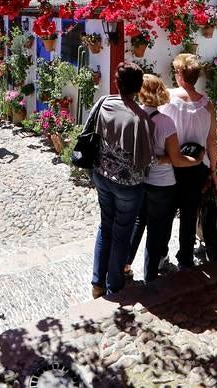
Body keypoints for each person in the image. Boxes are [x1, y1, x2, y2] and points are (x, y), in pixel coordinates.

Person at [127, 74, 203, 284]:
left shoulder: (132, 116)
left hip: (139, 181)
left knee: (138, 221)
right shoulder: (165, 123)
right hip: (162, 185)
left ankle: (124, 267)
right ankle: (150, 277)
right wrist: (196, 161)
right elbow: (177, 160)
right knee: (156, 230)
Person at [90, 62, 154, 299]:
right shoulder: (141, 118)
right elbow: (147, 160)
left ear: (117, 82)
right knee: (122, 233)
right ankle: (113, 287)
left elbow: (93, 133)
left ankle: (97, 283)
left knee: (105, 226)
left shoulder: (104, 102)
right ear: (138, 88)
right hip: (128, 186)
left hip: (102, 175)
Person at [159, 52, 217, 270]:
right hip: (197, 168)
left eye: (176, 71)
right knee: (189, 214)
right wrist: (213, 169)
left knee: (165, 213)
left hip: (172, 166)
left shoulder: (167, 98)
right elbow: (212, 141)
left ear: (181, 75)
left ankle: (161, 257)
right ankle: (185, 258)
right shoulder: (207, 106)